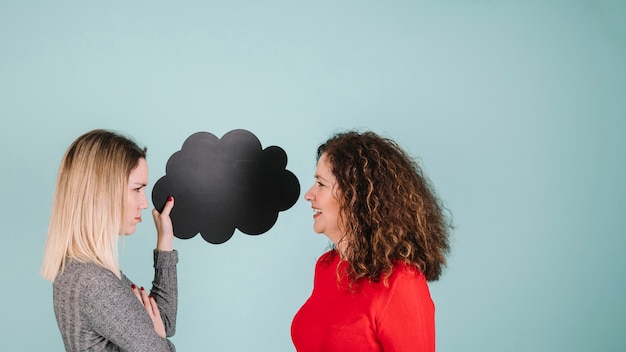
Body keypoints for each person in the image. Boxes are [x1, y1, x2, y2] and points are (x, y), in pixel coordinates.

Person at [291, 130, 452, 352]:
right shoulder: (326, 267)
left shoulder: (401, 282)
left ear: (354, 196)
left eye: (321, 184)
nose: (309, 194)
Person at [40, 129, 179, 351]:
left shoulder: (82, 270)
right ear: (102, 192)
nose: (144, 203)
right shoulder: (95, 282)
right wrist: (160, 341)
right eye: (137, 189)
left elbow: (163, 323)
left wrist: (165, 240)